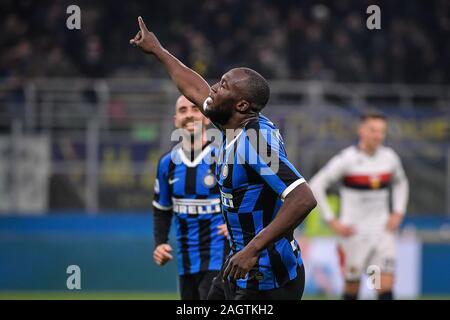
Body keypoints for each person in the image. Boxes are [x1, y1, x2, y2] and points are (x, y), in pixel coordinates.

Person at [131, 16, 317, 300]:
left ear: (241, 105)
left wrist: (252, 250)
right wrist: (157, 50)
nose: (214, 88)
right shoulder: (230, 123)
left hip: (268, 280)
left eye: (224, 86)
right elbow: (194, 89)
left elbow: (303, 198)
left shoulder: (255, 141)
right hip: (236, 271)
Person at [309, 111, 409, 300]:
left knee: (382, 286)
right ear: (361, 131)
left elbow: (401, 182)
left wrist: (398, 211)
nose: (378, 136)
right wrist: (332, 221)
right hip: (354, 235)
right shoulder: (347, 159)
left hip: (382, 232)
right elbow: (316, 185)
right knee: (352, 288)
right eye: (373, 130)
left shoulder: (389, 158)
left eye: (382, 131)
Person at [152, 95, 228, 300]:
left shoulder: (223, 157)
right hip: (186, 262)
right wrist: (160, 243)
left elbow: (245, 199)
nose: (189, 115)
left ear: (205, 117)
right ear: (176, 119)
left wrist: (235, 226)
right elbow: (161, 209)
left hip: (220, 259)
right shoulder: (167, 164)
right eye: (183, 110)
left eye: (195, 109)